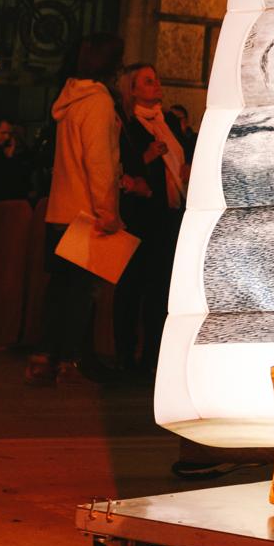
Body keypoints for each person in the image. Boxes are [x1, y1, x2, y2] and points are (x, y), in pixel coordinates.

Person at [32, 33, 124, 384]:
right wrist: (107, 212)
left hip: (60, 208)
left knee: (59, 290)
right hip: (86, 213)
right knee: (80, 296)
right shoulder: (98, 103)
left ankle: (43, 356)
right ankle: (69, 362)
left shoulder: (69, 100)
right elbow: (98, 162)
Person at [113, 64, 193, 379]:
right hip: (141, 214)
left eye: (156, 79)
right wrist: (146, 158)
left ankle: (153, 357)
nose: (156, 85)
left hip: (169, 213)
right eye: (147, 81)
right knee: (132, 286)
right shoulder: (128, 124)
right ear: (132, 89)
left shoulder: (169, 120)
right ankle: (125, 355)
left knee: (161, 289)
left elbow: (182, 154)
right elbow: (122, 165)